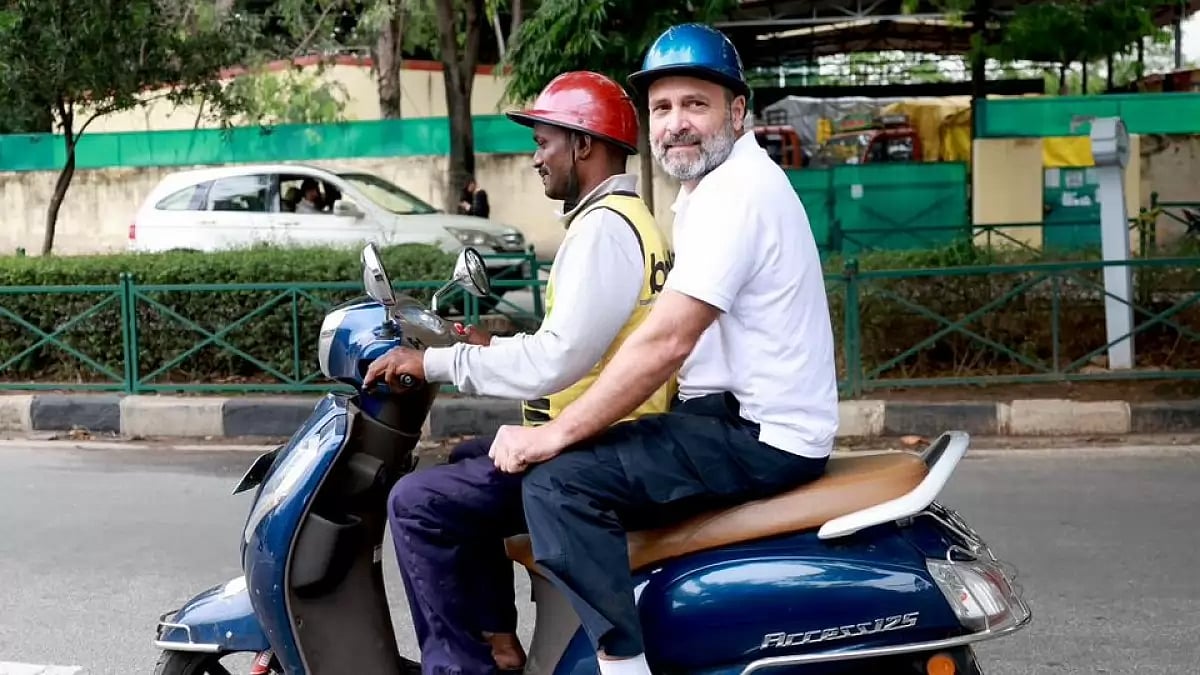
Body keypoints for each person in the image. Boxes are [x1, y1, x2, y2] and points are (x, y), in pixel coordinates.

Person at [486, 23, 840, 675]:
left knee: (559, 483)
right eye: (663, 108)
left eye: (696, 105)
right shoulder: (713, 186)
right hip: (734, 415)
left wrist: (554, 433)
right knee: (583, 448)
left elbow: (669, 338)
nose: (677, 123)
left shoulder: (737, 194)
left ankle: (624, 664)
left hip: (763, 434)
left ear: (737, 111)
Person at [363, 70, 677, 675]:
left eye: (543, 143)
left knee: (416, 502)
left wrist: (436, 361)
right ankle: (499, 641)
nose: (536, 159)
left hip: (595, 450)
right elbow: (579, 342)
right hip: (614, 434)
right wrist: (489, 343)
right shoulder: (625, 219)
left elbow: (557, 360)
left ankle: (460, 667)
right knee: (461, 459)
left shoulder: (604, 230)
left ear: (583, 144)